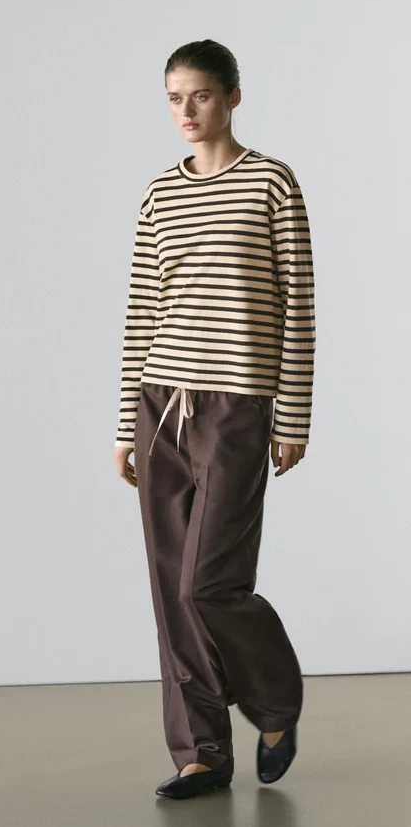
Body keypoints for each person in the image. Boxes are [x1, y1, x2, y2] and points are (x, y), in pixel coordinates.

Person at [113, 39, 316, 800]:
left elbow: (298, 305)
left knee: (209, 583)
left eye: (199, 95)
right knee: (172, 589)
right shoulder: (159, 194)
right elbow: (144, 308)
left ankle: (276, 703)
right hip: (160, 402)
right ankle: (201, 752)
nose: (186, 111)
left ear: (233, 95)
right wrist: (126, 425)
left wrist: (292, 416)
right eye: (174, 98)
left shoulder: (270, 182)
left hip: (237, 406)